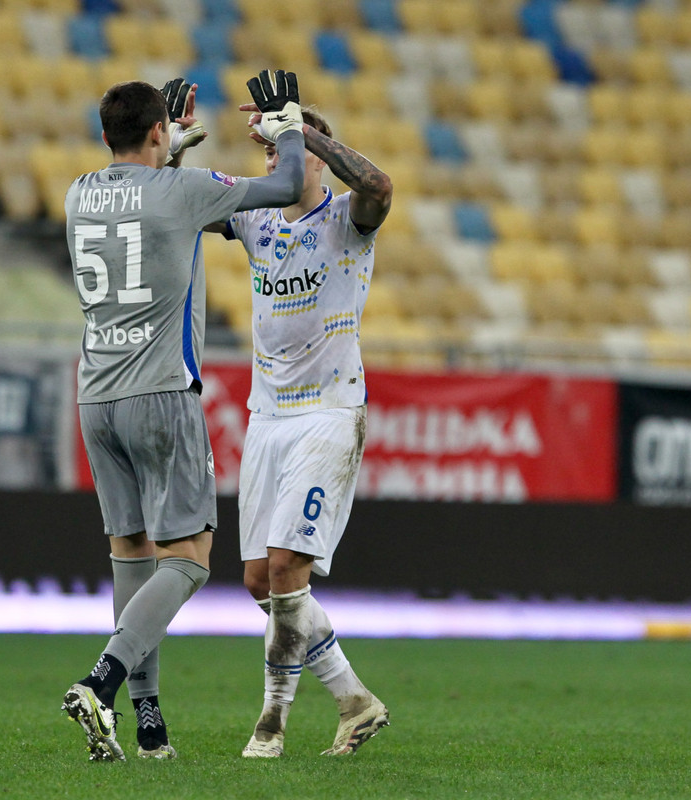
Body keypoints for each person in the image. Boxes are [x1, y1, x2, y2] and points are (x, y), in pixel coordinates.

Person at [60, 70, 308, 762]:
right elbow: (288, 185)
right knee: (190, 560)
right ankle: (101, 682)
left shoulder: (78, 193)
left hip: (95, 396)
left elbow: (140, 203)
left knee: (131, 556)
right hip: (162, 392)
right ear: (159, 132)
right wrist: (289, 128)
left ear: (105, 135)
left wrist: (167, 150)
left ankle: (148, 725)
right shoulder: (183, 189)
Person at [205, 101, 394, 757]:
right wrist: (169, 153)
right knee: (261, 580)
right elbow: (186, 205)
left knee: (288, 565)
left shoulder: (347, 219)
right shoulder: (254, 218)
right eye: (271, 149)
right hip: (267, 416)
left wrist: (303, 132)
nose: (277, 158)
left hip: (329, 411)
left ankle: (272, 722)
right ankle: (354, 701)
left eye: (289, 149)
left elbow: (379, 186)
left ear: (318, 157)